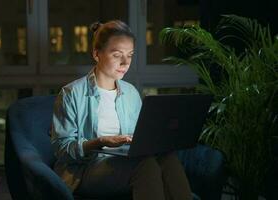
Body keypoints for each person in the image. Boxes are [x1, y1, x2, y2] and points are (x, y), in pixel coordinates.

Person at [51, 20, 192, 200]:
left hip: (126, 160)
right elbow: (61, 149)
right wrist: (100, 141)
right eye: (117, 55)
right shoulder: (71, 93)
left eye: (130, 55)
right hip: (86, 169)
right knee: (146, 165)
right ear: (97, 54)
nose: (125, 62)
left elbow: (141, 137)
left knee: (168, 158)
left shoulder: (130, 93)